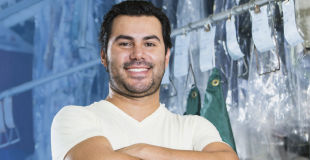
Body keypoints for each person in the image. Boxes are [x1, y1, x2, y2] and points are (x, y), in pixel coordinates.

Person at [51, 1, 239, 160]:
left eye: (149, 44)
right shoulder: (75, 118)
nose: (138, 54)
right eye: (125, 43)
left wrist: (142, 149)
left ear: (166, 56)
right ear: (104, 56)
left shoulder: (194, 127)